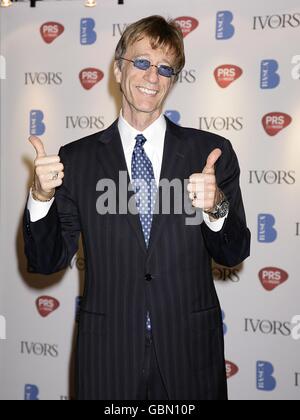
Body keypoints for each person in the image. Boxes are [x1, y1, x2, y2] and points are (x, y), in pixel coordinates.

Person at [23, 15, 251, 400]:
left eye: (165, 68)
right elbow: (47, 261)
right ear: (117, 68)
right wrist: (40, 198)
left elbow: (233, 251)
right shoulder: (75, 159)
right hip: (108, 355)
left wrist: (216, 206)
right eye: (142, 62)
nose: (152, 77)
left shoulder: (210, 153)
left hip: (191, 355)